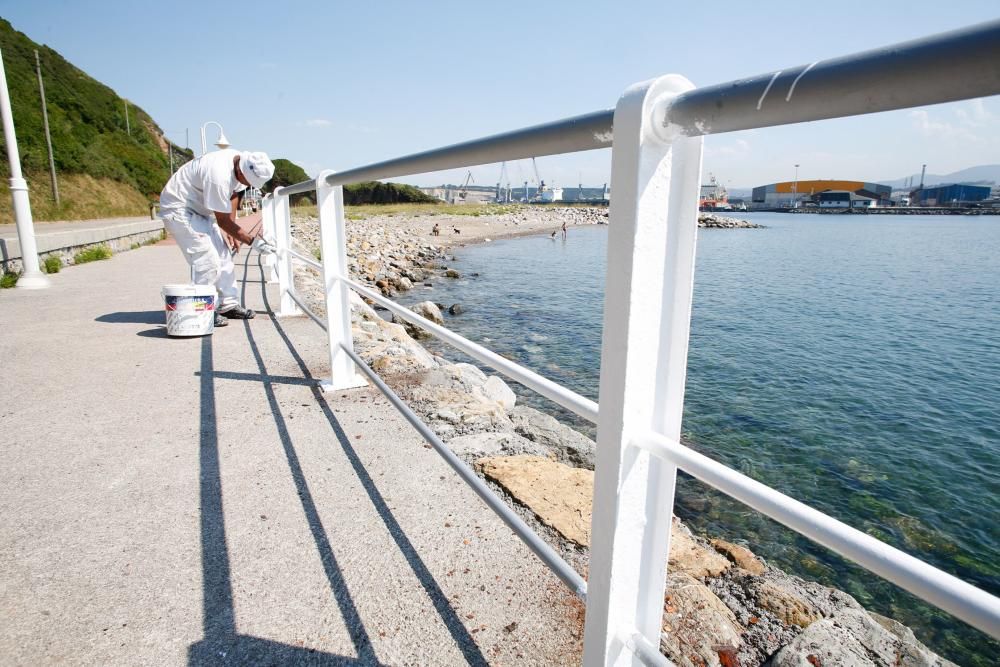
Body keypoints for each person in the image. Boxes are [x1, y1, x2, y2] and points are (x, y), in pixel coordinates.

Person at [159, 149, 275, 327]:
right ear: (241, 171)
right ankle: (202, 309)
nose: (247, 185)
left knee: (224, 255)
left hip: (199, 210)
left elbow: (234, 194)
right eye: (248, 181)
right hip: (179, 209)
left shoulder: (240, 161)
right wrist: (253, 241)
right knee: (207, 260)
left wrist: (233, 225)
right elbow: (221, 220)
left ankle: (228, 305)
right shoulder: (218, 175)